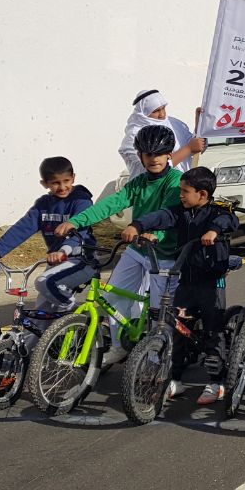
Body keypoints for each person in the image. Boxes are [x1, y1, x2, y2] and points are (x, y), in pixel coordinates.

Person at [55, 125, 184, 363]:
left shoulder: (175, 182)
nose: (154, 159)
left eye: (159, 153)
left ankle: (158, 362)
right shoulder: (139, 182)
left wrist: (153, 233)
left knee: (159, 312)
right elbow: (113, 202)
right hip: (137, 249)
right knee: (114, 298)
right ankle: (118, 346)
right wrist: (76, 221)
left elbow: (170, 214)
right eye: (148, 154)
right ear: (140, 156)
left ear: (169, 154)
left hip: (165, 254)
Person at [128, 167, 238, 404]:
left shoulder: (216, 212)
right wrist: (138, 226)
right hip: (185, 280)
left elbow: (229, 219)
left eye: (185, 191)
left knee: (212, 331)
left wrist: (213, 231)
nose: (181, 195)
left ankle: (216, 382)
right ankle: (175, 380)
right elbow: (160, 216)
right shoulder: (180, 212)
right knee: (177, 329)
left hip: (210, 282)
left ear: (203, 194)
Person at [0, 157, 97, 325]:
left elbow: (81, 231)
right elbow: (21, 229)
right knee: (39, 316)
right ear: (44, 183)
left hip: (82, 260)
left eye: (66, 181)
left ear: (73, 178)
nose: (62, 187)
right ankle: (30, 350)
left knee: (45, 282)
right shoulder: (43, 205)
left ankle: (77, 315)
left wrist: (64, 251)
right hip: (56, 262)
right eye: (55, 183)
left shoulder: (81, 201)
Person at [119, 89, 206, 177]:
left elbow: (193, 146)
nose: (162, 115)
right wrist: (189, 149)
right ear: (143, 112)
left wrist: (199, 125)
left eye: (163, 108)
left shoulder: (174, 124)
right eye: (156, 111)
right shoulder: (134, 136)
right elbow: (150, 169)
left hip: (181, 184)